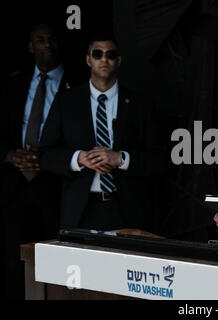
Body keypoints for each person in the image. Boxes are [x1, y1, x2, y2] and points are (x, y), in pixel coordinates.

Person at [39, 33, 164, 232]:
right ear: (88, 59)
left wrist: (121, 159)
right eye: (97, 54)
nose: (104, 59)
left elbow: (159, 159)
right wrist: (78, 158)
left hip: (126, 208)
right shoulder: (67, 102)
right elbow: (44, 154)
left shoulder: (140, 105)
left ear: (119, 60)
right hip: (81, 207)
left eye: (110, 54)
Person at [0, 22, 76, 300]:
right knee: (14, 258)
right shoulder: (14, 83)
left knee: (55, 259)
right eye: (40, 40)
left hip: (55, 185)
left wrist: (45, 160)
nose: (47, 45)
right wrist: (10, 155)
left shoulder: (77, 83)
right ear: (30, 46)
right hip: (15, 183)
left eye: (52, 40)